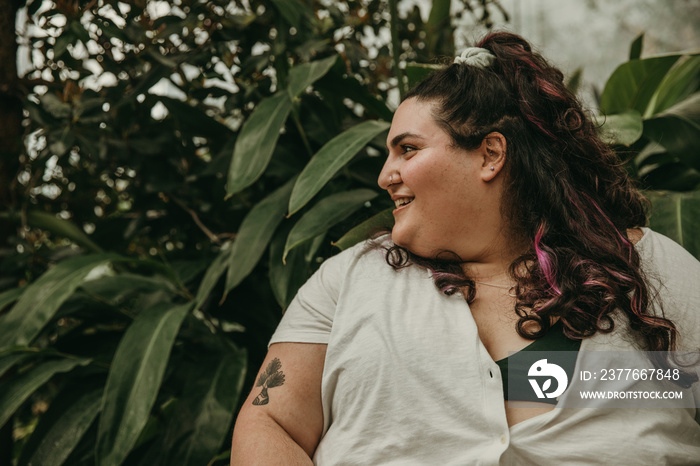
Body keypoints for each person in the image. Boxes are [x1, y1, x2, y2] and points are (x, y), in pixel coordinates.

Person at [230, 32, 700, 465]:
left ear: (491, 155)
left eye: (407, 149)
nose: (384, 175)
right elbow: (269, 421)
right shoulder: (346, 280)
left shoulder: (647, 269)